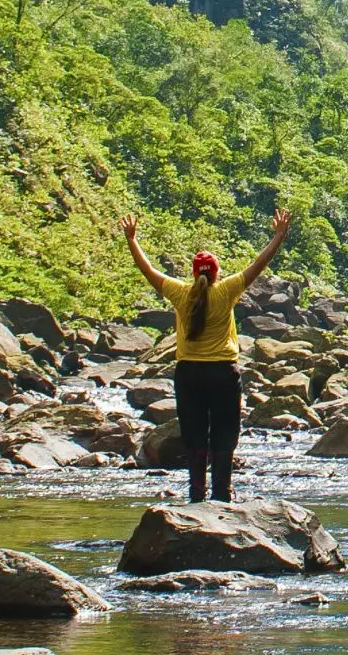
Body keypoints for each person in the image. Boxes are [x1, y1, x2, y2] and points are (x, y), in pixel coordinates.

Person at [119, 209, 291, 503]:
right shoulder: (226, 291)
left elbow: (148, 271)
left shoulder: (180, 292)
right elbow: (258, 265)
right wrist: (278, 236)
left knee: (194, 437)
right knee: (224, 438)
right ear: (216, 273)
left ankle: (196, 497)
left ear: (193, 272)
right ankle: (223, 496)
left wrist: (132, 240)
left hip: (189, 374)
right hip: (223, 373)